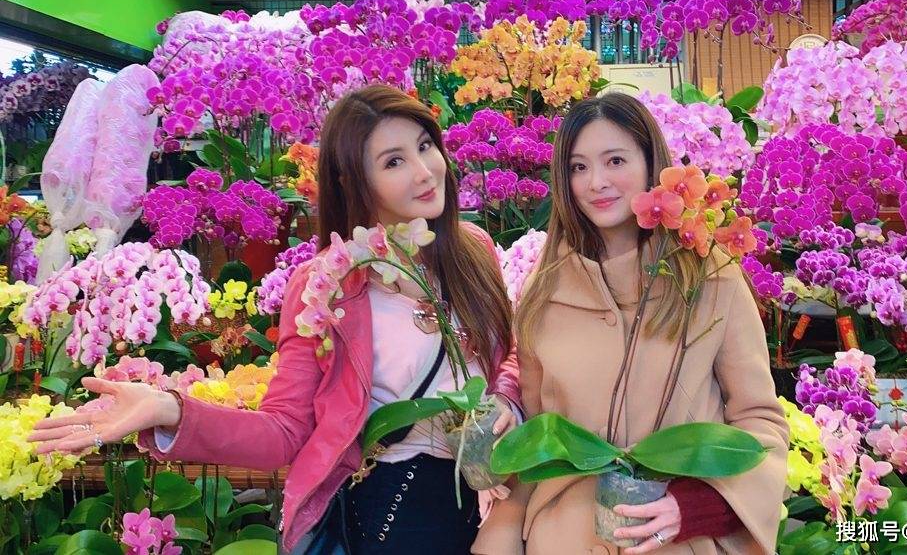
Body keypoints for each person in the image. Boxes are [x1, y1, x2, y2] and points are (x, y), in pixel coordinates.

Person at [30, 85, 521, 555]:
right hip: (401, 509)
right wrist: (171, 410)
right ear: (353, 181)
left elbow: (514, 353)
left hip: (495, 494)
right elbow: (285, 431)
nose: (425, 171)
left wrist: (504, 399)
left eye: (424, 146)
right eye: (394, 161)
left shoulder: (471, 249)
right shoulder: (326, 284)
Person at [472, 93, 788, 555]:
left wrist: (697, 507)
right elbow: (539, 436)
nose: (596, 182)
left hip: (676, 542)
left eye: (615, 160)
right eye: (578, 167)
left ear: (650, 163)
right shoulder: (543, 290)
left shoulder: (710, 279)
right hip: (560, 538)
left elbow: (759, 424)